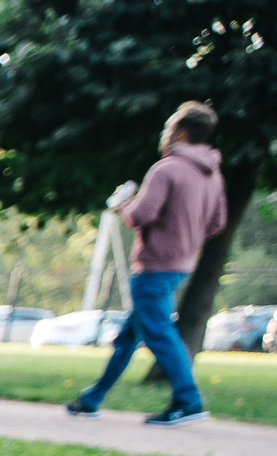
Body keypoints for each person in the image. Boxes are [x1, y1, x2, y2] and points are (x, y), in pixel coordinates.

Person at [67, 101, 226, 428]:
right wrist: (188, 237)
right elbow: (217, 223)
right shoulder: (213, 174)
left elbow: (141, 215)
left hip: (154, 265)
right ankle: (92, 399)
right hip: (182, 264)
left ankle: (189, 401)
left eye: (170, 126)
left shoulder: (166, 169)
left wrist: (123, 204)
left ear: (181, 132)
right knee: (129, 336)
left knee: (159, 333)